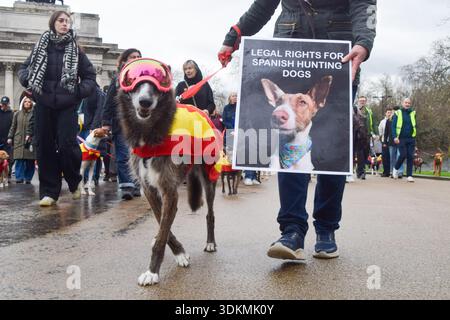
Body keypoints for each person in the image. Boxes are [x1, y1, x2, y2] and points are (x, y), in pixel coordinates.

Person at [218, 0, 376, 260]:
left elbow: (365, 4)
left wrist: (364, 42)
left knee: (332, 150)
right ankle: (292, 231)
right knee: (289, 146)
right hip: (288, 51)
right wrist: (235, 34)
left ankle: (326, 230)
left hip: (340, 58)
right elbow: (264, 5)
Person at [18, 10, 96, 206]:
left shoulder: (76, 50)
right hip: (44, 103)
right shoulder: (40, 46)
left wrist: (77, 92)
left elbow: (90, 77)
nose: (65, 24)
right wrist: (28, 80)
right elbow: (23, 69)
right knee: (44, 147)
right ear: (53, 23)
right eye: (61, 21)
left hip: (67, 105)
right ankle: (49, 193)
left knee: (66, 145)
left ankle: (73, 180)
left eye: (67, 21)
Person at [102, 48, 142, 200]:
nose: (136, 58)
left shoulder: (146, 78)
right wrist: (106, 122)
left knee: (138, 154)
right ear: (124, 60)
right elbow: (109, 102)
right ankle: (127, 186)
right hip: (121, 122)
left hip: (140, 123)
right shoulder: (117, 79)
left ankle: (137, 184)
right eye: (133, 57)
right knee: (123, 155)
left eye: (139, 56)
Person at [7, 92, 36, 184]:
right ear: (23, 103)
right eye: (25, 102)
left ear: (31, 103)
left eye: (29, 102)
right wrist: (10, 137)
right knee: (19, 160)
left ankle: (28, 178)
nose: (27, 103)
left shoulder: (34, 114)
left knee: (30, 161)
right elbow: (13, 126)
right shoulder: (17, 114)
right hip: (18, 140)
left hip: (30, 141)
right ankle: (19, 177)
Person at [392, 98, 416, 183]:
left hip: (411, 138)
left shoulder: (413, 113)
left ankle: (409, 175)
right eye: (406, 102)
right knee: (403, 154)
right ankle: (395, 168)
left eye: (409, 103)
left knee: (410, 156)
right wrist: (395, 137)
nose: (407, 104)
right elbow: (393, 126)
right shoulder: (397, 113)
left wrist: (414, 135)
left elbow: (414, 125)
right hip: (401, 138)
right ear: (402, 103)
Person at [355, 96, 376, 180]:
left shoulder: (369, 111)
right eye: (361, 101)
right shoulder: (355, 109)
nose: (362, 102)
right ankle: (361, 172)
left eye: (364, 101)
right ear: (358, 101)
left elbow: (373, 123)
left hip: (367, 135)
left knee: (366, 154)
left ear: (366, 102)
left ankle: (359, 169)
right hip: (358, 135)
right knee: (360, 154)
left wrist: (375, 133)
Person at [0, 96, 14, 178]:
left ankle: (8, 173)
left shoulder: (12, 114)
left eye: (5, 104)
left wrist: (11, 137)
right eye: (3, 104)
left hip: (8, 139)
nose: (4, 106)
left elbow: (13, 126)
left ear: (8, 104)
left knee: (9, 158)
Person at [378, 107, 393, 177]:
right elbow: (380, 133)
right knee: (385, 157)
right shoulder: (382, 122)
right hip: (385, 141)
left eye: (391, 112)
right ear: (385, 113)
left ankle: (391, 171)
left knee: (391, 157)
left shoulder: (393, 120)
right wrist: (383, 142)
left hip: (392, 142)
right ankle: (385, 171)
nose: (389, 114)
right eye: (388, 112)